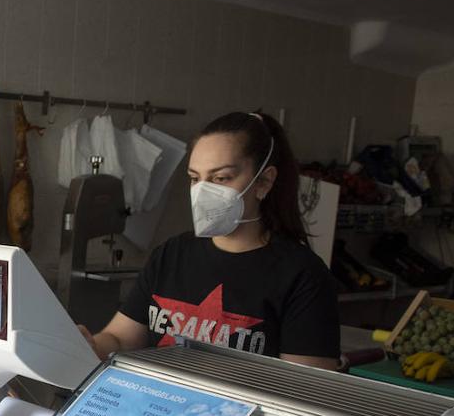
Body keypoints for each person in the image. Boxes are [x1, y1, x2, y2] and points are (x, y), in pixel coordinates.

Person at [80, 111, 340, 369]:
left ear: (263, 182)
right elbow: (121, 339)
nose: (203, 191)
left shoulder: (303, 275)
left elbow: (304, 389)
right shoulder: (172, 254)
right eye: (195, 178)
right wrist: (90, 344)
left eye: (221, 178)